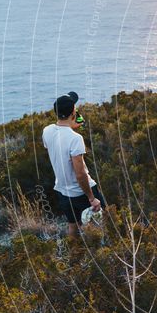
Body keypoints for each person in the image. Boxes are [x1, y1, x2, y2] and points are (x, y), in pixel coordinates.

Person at [42, 91, 105, 237]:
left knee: (73, 224)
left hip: (62, 190)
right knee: (105, 219)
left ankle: (74, 255)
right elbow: (80, 173)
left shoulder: (47, 131)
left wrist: (69, 125)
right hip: (80, 191)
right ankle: (101, 252)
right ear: (73, 112)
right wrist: (91, 198)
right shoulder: (75, 139)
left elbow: (58, 142)